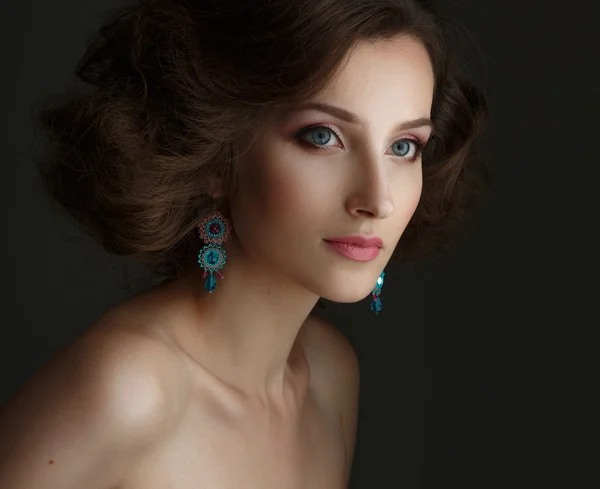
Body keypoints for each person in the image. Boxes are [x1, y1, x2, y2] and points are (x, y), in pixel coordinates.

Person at [0, 0, 489, 487]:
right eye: (322, 136)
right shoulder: (128, 391)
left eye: (404, 148)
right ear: (216, 155)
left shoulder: (331, 375)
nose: (377, 199)